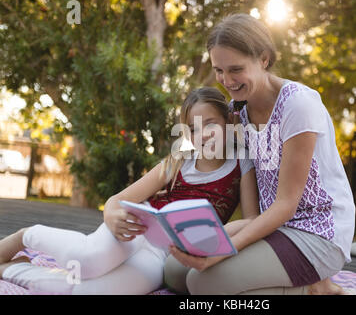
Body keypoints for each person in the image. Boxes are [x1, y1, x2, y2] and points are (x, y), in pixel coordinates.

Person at [165, 13, 356, 295]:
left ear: (264, 59)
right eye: (219, 70)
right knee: (175, 271)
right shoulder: (237, 111)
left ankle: (318, 290)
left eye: (236, 69)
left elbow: (286, 205)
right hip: (272, 227)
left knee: (202, 283)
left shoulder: (298, 106)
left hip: (317, 232)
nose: (226, 80)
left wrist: (223, 252)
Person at [0, 87, 259, 294]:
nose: (202, 135)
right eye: (193, 128)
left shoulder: (241, 163)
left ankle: (11, 270)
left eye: (210, 124)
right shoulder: (178, 161)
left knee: (90, 292)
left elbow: (252, 219)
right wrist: (112, 214)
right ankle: (26, 236)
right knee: (89, 263)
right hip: (136, 230)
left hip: (162, 256)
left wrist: (216, 234)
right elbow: (117, 201)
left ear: (228, 121)